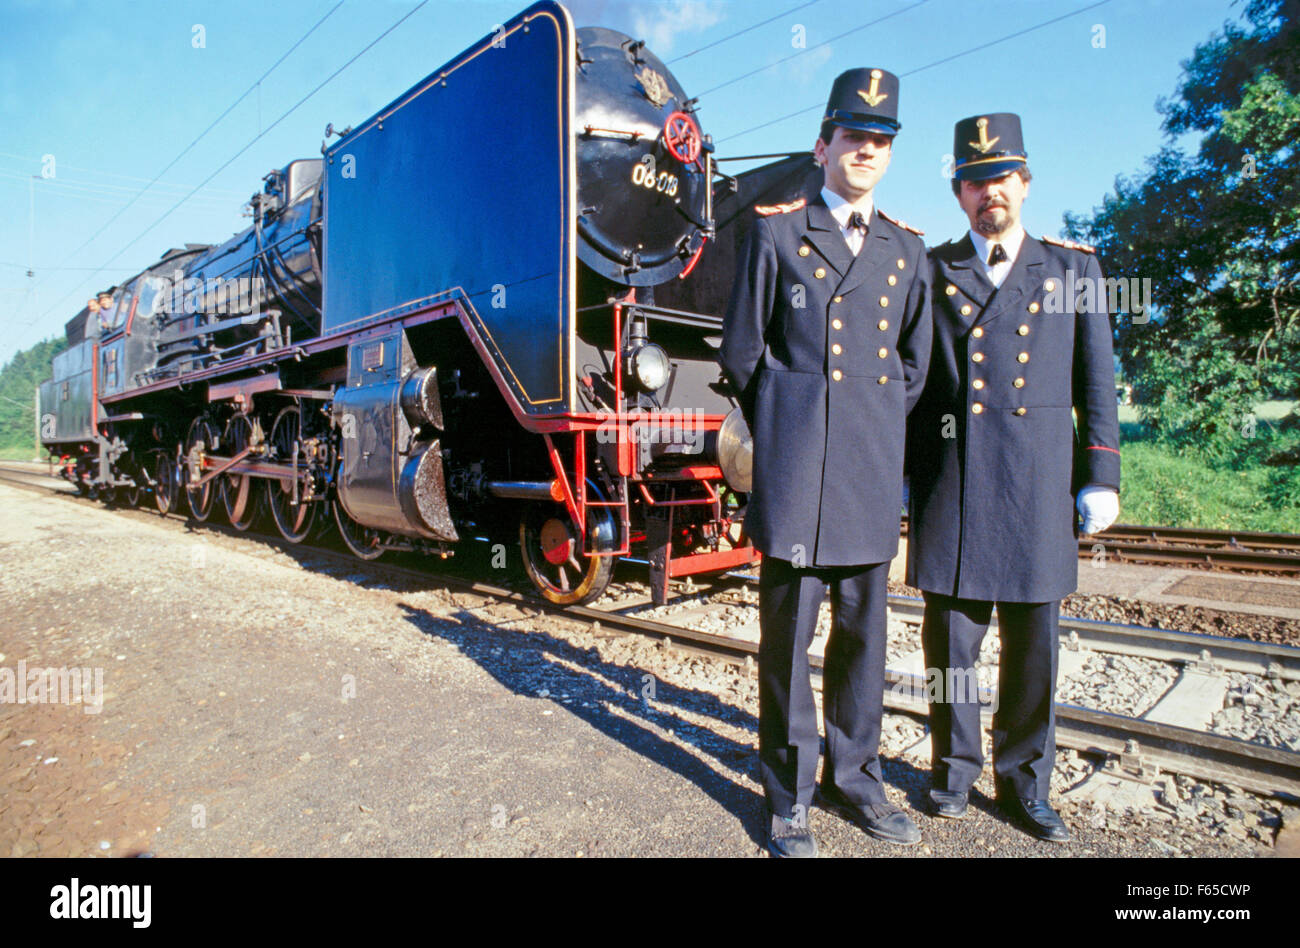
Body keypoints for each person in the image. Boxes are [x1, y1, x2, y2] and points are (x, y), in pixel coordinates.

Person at [721, 68, 932, 857]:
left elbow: (914, 365)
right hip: (796, 468)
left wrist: (865, 426)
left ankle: (857, 778)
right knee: (788, 642)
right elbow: (742, 350)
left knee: (863, 641)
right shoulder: (777, 233)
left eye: (880, 142)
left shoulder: (905, 250)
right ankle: (788, 794)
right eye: (854, 138)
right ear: (824, 146)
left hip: (869, 472)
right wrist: (795, 420)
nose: (866, 152)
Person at [906, 112, 1121, 842]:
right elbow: (913, 383)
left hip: (1036, 488)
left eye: (1000, 177)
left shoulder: (1072, 271)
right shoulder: (930, 272)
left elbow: (1098, 382)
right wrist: (901, 474)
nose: (987, 192)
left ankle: (1026, 783)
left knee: (1034, 653)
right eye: (972, 181)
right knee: (950, 653)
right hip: (954, 484)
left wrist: (1101, 474)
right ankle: (953, 771)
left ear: (1024, 184)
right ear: (959, 194)